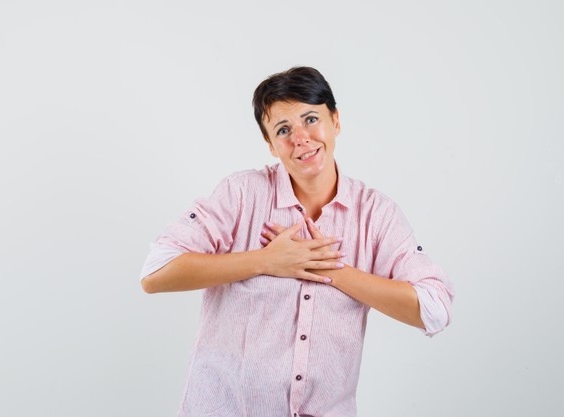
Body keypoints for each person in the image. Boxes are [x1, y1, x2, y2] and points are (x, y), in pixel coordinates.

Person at [140, 66, 454, 417]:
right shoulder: (241, 194)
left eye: (311, 119)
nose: (300, 139)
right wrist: (266, 261)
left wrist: (332, 271)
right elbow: (156, 272)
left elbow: (435, 309)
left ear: (335, 121)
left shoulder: (375, 214)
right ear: (271, 145)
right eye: (283, 130)